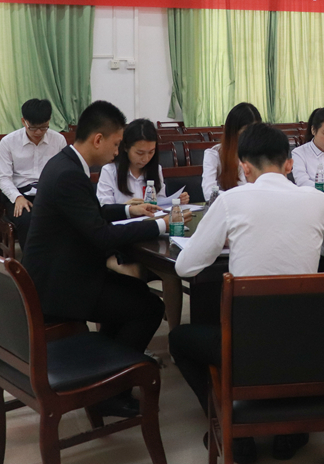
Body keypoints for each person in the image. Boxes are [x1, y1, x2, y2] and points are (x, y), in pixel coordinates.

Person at [170, 123, 324, 463]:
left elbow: (185, 268)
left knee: (179, 339)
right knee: (289, 332)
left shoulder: (231, 200)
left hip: (245, 347)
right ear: (289, 164)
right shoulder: (317, 200)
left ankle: (230, 425)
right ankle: (290, 431)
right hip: (306, 344)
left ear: (245, 167)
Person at [22, 101, 189, 418]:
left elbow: (91, 214)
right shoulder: (68, 174)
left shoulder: (65, 164)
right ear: (98, 139)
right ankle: (111, 390)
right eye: (116, 144)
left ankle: (106, 378)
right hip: (60, 287)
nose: (117, 152)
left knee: (134, 295)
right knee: (149, 308)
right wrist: (160, 225)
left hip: (61, 274)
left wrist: (129, 209)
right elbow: (100, 235)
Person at [96, 118, 190, 329]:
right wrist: (127, 207)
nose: (145, 158)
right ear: (125, 147)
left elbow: (160, 204)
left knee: (172, 273)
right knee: (134, 275)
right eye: (140, 153)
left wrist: (174, 202)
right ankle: (132, 330)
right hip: (119, 242)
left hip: (148, 238)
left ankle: (174, 335)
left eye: (151, 152)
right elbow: (102, 210)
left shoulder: (155, 169)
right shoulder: (110, 171)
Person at [0, 98, 68, 249]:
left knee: (66, 217)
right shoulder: (8, 142)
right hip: (19, 193)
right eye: (33, 128)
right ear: (24, 121)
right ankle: (31, 260)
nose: (39, 132)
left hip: (48, 193)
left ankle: (58, 258)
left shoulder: (58, 140)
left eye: (44, 127)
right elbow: (3, 178)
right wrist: (17, 197)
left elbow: (64, 172)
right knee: (27, 219)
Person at [202, 102, 262, 199]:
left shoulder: (261, 153)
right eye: (245, 131)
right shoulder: (214, 154)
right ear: (233, 131)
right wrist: (239, 197)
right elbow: (209, 193)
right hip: (229, 205)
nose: (250, 136)